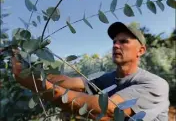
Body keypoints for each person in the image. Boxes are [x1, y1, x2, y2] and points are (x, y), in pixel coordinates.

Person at [11, 22, 170, 121]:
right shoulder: (109, 78)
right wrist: (32, 70)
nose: (115, 45)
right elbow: (72, 83)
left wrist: (42, 87)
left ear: (141, 50)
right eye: (114, 42)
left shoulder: (155, 84)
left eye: (123, 42)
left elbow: (109, 108)